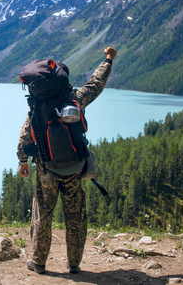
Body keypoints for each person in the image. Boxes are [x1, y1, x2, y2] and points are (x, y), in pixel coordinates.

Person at [17, 47, 117, 274]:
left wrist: (23, 160)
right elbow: (96, 83)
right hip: (74, 168)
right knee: (75, 216)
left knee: (43, 213)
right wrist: (108, 59)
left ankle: (39, 263)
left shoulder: (36, 106)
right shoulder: (74, 98)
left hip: (47, 169)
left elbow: (25, 135)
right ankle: (74, 265)